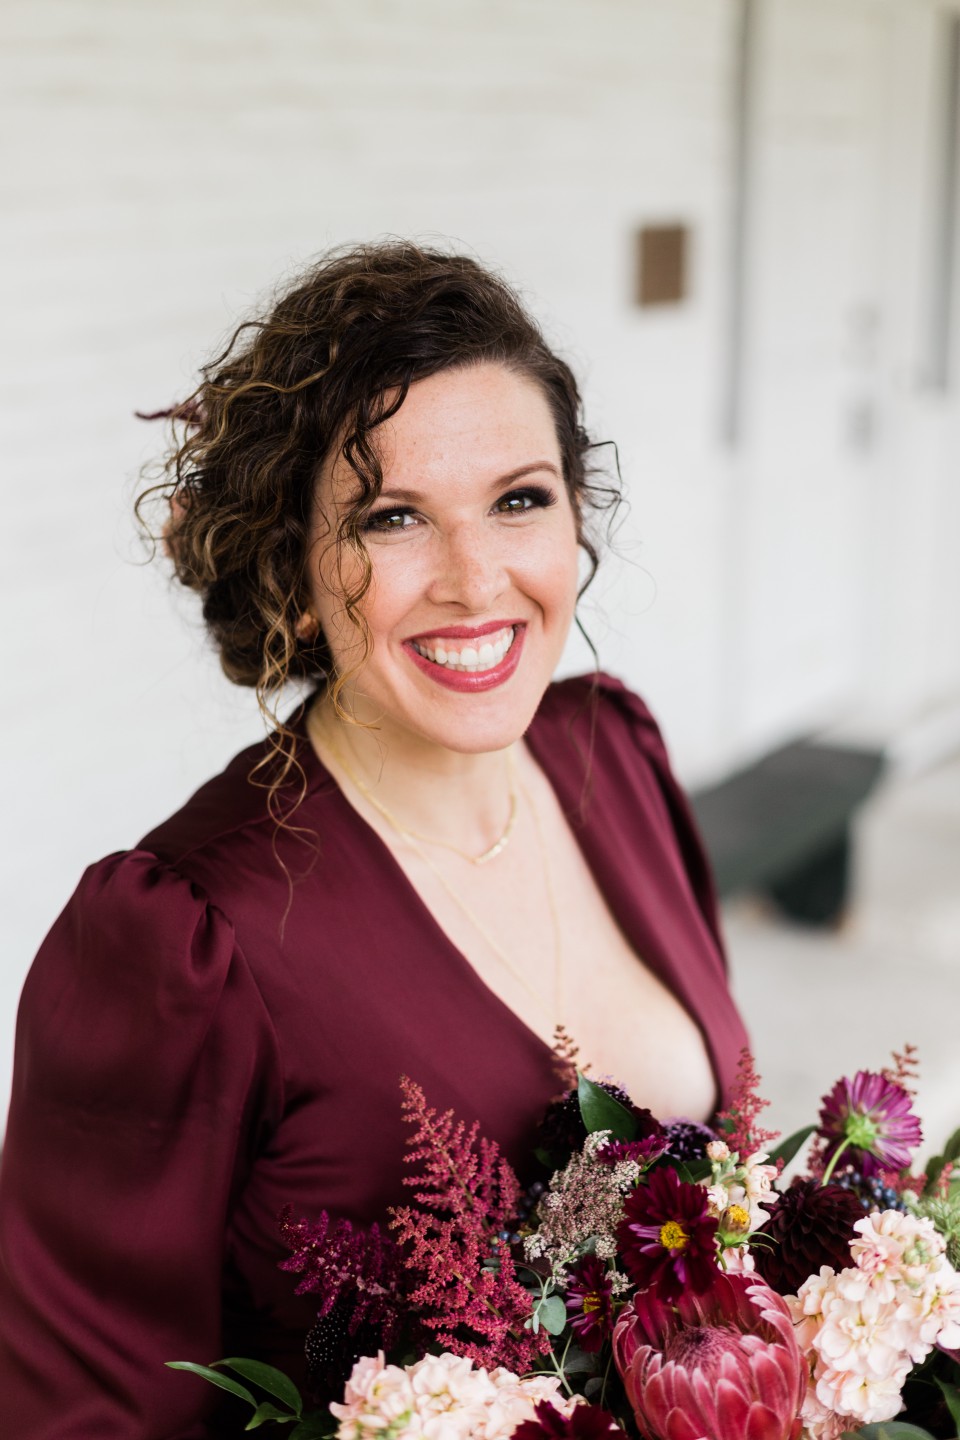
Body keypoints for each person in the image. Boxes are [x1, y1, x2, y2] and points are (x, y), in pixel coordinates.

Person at [0, 242, 748, 1436]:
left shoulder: (617, 756)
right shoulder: (180, 940)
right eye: (393, 519)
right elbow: (83, 1411)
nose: (476, 580)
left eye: (519, 499)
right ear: (294, 573)